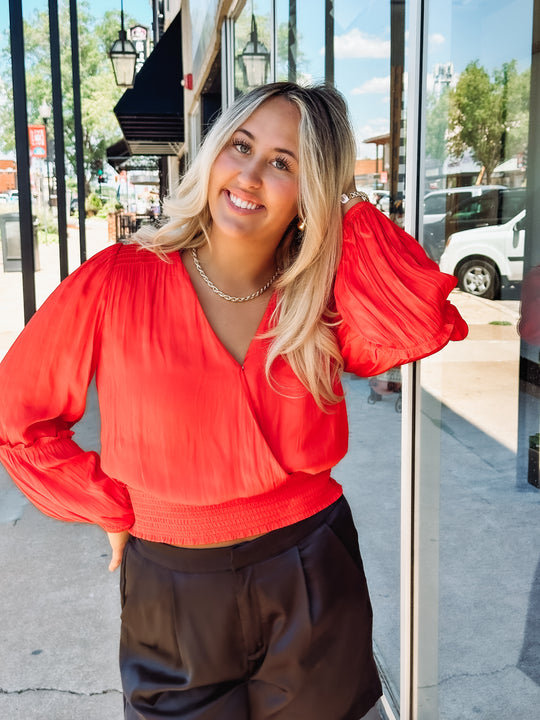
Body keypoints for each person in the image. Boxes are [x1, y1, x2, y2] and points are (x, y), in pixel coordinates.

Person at [0, 82, 468, 720]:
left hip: (310, 568)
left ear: (312, 194)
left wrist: (350, 203)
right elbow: (19, 417)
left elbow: (417, 320)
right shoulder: (119, 279)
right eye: (241, 146)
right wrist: (109, 508)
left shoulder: (319, 300)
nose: (249, 175)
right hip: (170, 588)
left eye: (284, 162)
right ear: (215, 151)